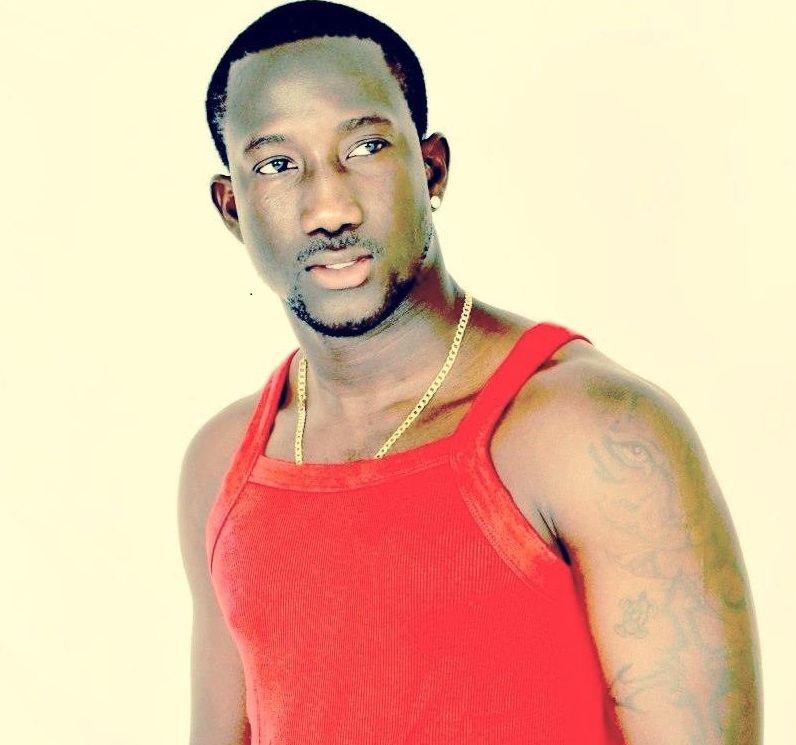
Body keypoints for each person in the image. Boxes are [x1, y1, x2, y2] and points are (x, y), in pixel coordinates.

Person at [178, 2, 762, 743]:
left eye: (365, 147)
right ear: (232, 208)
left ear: (432, 169)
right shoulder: (222, 465)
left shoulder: (592, 433)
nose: (329, 208)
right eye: (277, 165)